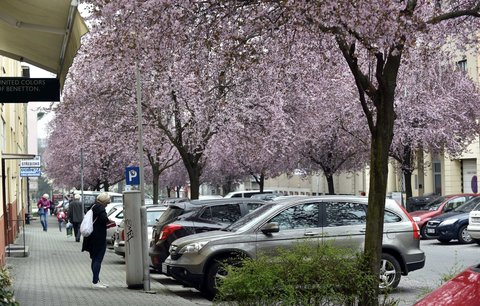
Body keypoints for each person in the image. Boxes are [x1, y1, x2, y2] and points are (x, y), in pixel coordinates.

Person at [81, 192, 115, 289]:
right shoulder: (101, 209)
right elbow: (104, 219)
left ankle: (96, 280)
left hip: (91, 236)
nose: (107, 204)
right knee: (98, 259)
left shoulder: (93, 206)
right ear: (104, 201)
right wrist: (110, 221)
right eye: (107, 202)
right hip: (98, 237)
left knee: (94, 258)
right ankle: (95, 282)